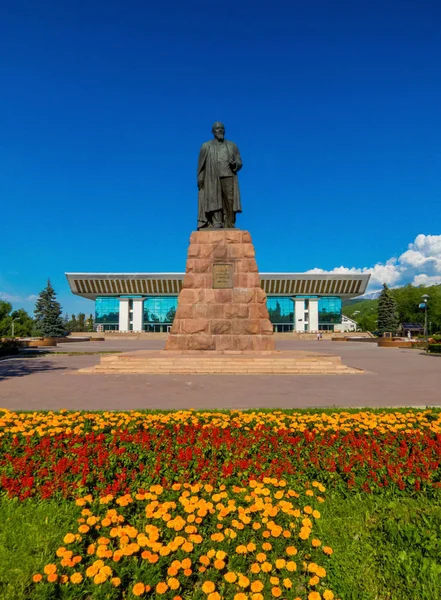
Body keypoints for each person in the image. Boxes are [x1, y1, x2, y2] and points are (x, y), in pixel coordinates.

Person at [197, 122, 243, 229]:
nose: (220, 130)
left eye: (222, 128)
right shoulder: (206, 146)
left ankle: (230, 223)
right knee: (213, 198)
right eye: (217, 129)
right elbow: (201, 165)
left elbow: (239, 161)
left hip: (228, 175)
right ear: (213, 132)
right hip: (212, 177)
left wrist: (235, 164)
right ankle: (216, 222)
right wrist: (200, 177)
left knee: (230, 201)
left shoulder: (232, 145)